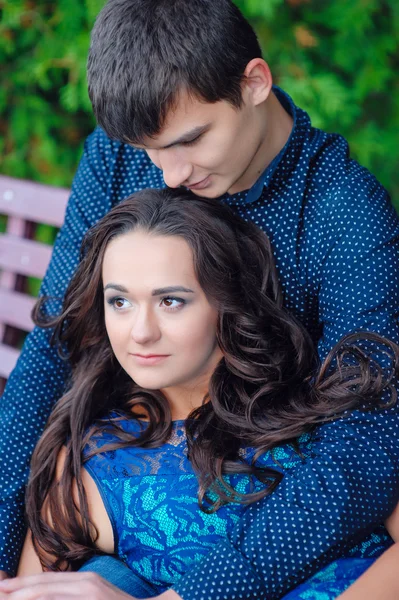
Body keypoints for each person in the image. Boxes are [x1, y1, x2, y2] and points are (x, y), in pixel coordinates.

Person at [1, 0, 399, 597]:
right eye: (148, 149)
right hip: (131, 507)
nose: (167, 173)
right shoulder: (119, 157)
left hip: (276, 532)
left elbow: (367, 445)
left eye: (190, 140)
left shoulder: (342, 215)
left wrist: (202, 593)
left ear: (255, 83)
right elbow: (55, 346)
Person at [4, 188, 399, 600]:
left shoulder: (327, 407)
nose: (140, 332)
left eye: (171, 301)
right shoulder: (91, 461)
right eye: (119, 301)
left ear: (228, 304)